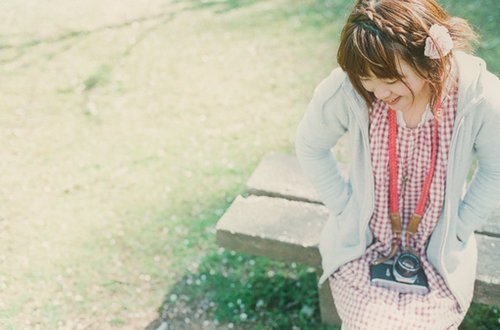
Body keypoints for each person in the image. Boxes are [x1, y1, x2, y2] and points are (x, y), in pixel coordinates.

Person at [294, 0, 500, 329]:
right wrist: (346, 210)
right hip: (365, 245)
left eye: (388, 78)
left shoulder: (478, 95)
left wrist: (460, 228)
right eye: (366, 79)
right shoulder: (349, 89)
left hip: (439, 252)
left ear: (427, 57)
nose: (377, 91)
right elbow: (310, 145)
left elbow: (496, 169)